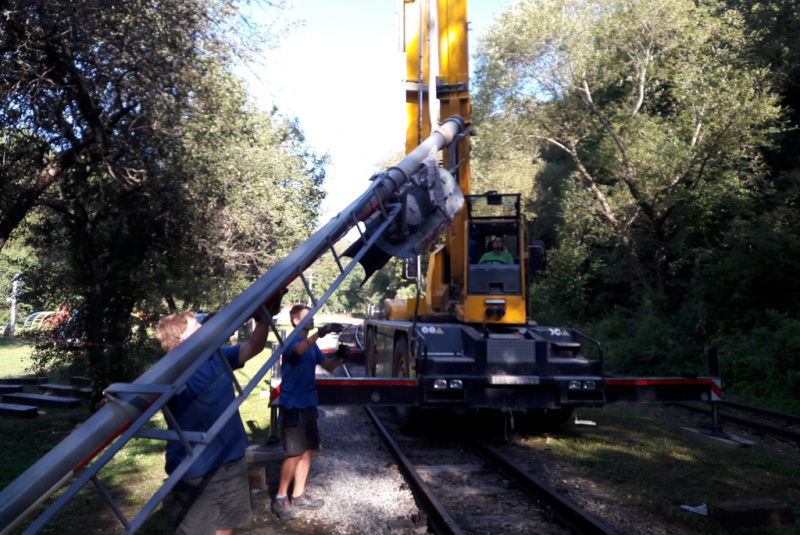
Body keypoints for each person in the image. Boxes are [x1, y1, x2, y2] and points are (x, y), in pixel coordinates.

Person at [155, 297, 279, 535]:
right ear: (182, 338)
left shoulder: (216, 356)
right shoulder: (170, 372)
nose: (203, 328)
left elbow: (252, 347)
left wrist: (264, 321)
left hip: (232, 456)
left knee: (226, 523)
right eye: (197, 326)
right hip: (197, 466)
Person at [272, 304, 344, 520]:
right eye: (307, 317)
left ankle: (298, 494)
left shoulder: (312, 346)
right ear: (296, 321)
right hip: (292, 405)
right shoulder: (291, 342)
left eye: (313, 316)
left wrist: (341, 356)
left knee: (307, 451)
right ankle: (280, 498)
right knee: (294, 454)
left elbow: (328, 366)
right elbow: (298, 351)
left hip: (308, 404)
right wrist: (320, 333)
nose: (312, 319)